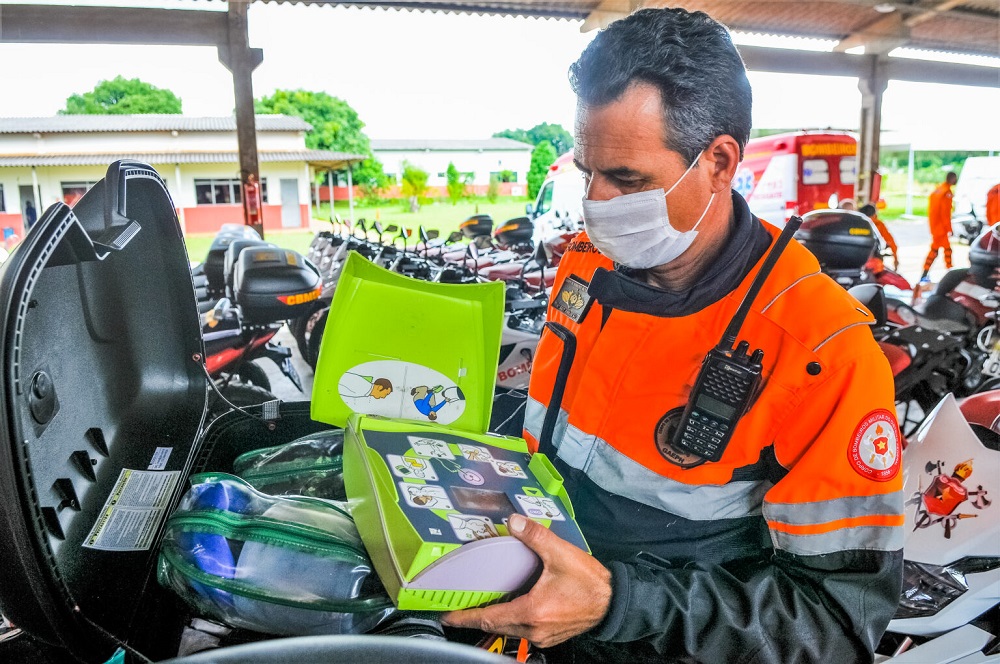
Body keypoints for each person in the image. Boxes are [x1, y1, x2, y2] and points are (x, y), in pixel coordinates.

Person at [442, 8, 903, 662]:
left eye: (626, 179)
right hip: (534, 637)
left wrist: (616, 605)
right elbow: (564, 437)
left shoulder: (821, 353)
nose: (595, 204)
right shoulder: (586, 267)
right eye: (587, 173)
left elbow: (834, 623)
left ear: (718, 161)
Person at [921, 172, 958, 281]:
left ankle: (924, 274)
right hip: (941, 228)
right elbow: (945, 213)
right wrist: (949, 229)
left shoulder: (938, 190)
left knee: (936, 250)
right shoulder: (946, 193)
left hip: (935, 226)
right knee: (944, 251)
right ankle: (950, 274)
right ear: (952, 179)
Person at [861, 203, 899, 271]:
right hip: (874, 259)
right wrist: (896, 259)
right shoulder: (878, 224)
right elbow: (891, 242)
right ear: (874, 214)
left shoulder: (857, 223)